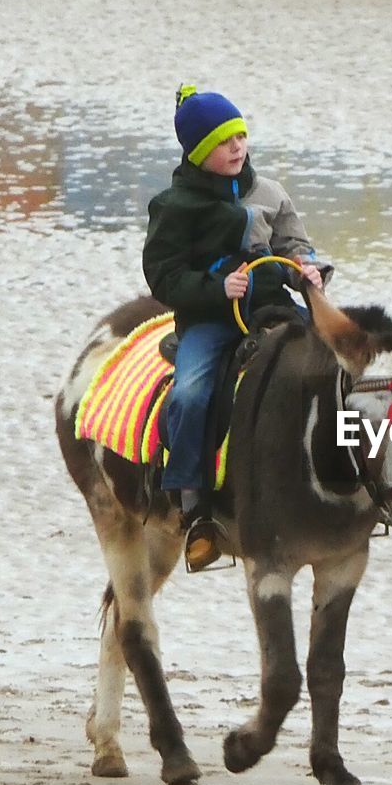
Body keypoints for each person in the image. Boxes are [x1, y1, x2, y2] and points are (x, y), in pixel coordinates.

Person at [143, 84, 326, 571]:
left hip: (275, 307)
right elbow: (163, 275)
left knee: (334, 366)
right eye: (224, 142)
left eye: (241, 137)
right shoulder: (173, 206)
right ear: (200, 152)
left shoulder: (270, 193)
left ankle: (339, 479)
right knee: (190, 395)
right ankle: (193, 504)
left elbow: (294, 247)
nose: (237, 148)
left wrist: (306, 270)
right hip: (209, 320)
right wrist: (214, 288)